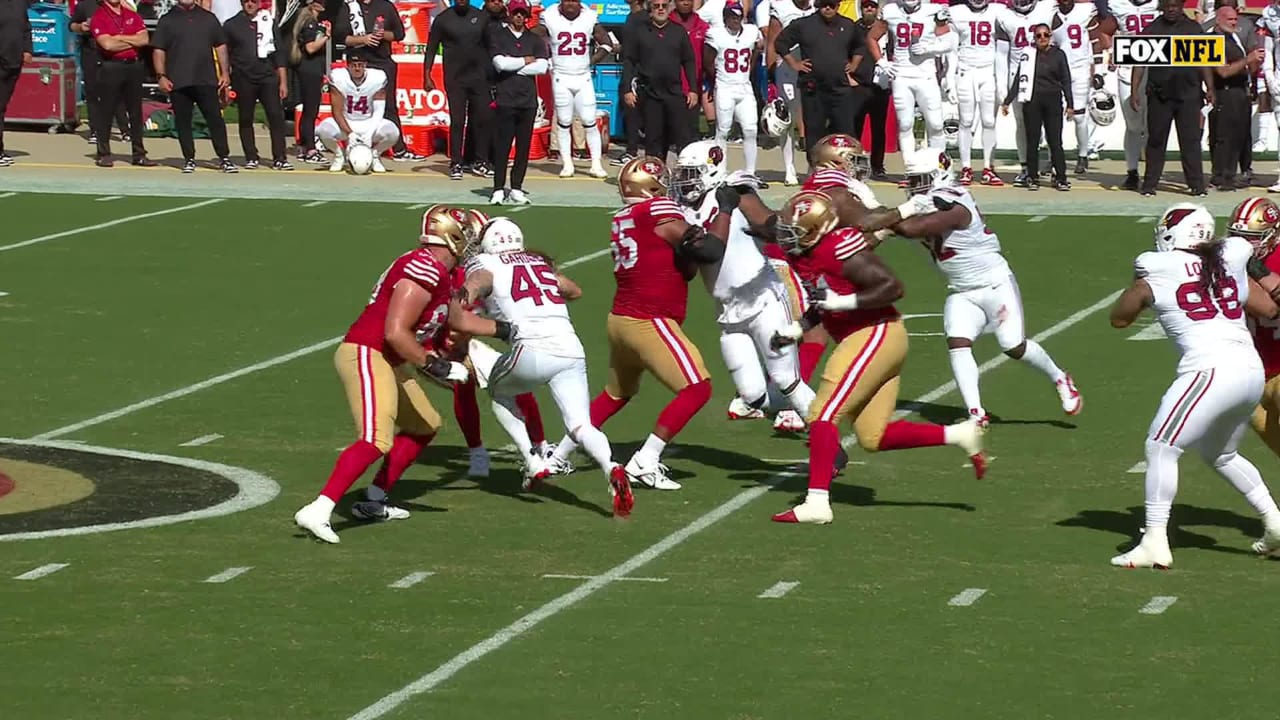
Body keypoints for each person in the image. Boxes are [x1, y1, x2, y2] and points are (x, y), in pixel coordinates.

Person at [292, 207, 513, 545]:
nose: (471, 242)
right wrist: (434, 364)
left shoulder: (444, 271)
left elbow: (458, 321)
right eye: (466, 234)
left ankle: (375, 499)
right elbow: (395, 332)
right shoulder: (423, 268)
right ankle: (319, 509)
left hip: (390, 357)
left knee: (425, 424)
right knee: (375, 439)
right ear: (452, 235)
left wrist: (507, 330)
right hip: (368, 351)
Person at [769, 189, 986, 525]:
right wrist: (800, 328)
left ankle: (817, 502)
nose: (787, 237)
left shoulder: (840, 247)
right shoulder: (807, 253)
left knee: (823, 414)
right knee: (873, 436)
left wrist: (843, 305)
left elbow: (891, 287)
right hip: (874, 336)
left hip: (875, 332)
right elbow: (825, 299)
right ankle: (958, 434)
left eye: (795, 231)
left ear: (817, 229)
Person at [1108, 203, 1280, 568]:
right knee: (1220, 453)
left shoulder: (1156, 268)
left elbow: (1119, 319)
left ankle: (1155, 539)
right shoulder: (1231, 259)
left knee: (1160, 446)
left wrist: (1140, 288)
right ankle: (1275, 521)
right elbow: (1268, 309)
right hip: (1251, 369)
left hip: (1210, 370)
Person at [860, 148, 1082, 428]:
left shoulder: (956, 202)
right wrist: (870, 229)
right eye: (913, 180)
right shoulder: (926, 203)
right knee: (958, 342)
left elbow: (914, 228)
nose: (915, 186)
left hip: (994, 283)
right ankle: (975, 413)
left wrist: (886, 216)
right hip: (962, 290)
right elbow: (881, 232)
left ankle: (1060, 377)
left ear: (938, 174)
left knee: (1012, 345)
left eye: (920, 179)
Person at [545, 157, 722, 491]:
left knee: (616, 394)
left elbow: (683, 266)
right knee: (698, 388)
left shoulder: (626, 216)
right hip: (648, 319)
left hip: (621, 319)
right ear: (650, 185)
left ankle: (558, 456)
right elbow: (708, 251)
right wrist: (722, 211)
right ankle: (646, 460)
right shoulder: (657, 211)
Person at [459, 218, 635, 517]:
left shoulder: (483, 261)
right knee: (580, 425)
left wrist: (465, 297)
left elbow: (478, 284)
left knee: (498, 392)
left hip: (530, 347)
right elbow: (574, 291)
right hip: (570, 348)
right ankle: (612, 466)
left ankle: (533, 460)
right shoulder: (537, 262)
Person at [671, 141, 816, 432]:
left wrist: (780, 228)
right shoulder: (680, 209)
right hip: (727, 312)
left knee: (787, 380)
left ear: (711, 168)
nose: (686, 180)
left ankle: (828, 435)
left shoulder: (734, 193)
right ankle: (817, 406)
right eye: (683, 173)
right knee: (753, 396)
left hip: (764, 300)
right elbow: (690, 269)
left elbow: (770, 224)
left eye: (692, 172)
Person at [1131, 0, 1212, 197]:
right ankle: (1150, 184)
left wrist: (1210, 88)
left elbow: (1205, 62)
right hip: (1160, 95)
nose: (1171, 9)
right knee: (1156, 141)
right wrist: (1134, 92)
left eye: (1175, 5)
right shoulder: (1152, 29)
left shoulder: (1193, 29)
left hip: (1189, 95)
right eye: (1168, 6)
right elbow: (1139, 64)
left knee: (1190, 141)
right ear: (1162, 7)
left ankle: (1196, 186)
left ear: (1181, 6)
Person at [152, 0, 238, 174]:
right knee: (183, 122)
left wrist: (225, 73)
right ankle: (189, 158)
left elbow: (220, 45)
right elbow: (158, 50)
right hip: (178, 80)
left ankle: (224, 158)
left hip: (205, 79)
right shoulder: (167, 20)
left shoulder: (208, 18)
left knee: (215, 120)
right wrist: (161, 76)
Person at [336, 0, 428, 161]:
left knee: (389, 106)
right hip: (359, 63)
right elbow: (341, 38)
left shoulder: (385, 6)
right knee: (356, 106)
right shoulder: (349, 6)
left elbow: (399, 34)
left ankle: (399, 149)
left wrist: (382, 34)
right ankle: (354, 145)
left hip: (382, 62)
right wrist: (363, 39)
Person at [777, 0, 865, 153]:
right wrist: (794, 63)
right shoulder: (803, 25)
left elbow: (860, 45)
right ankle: (814, 169)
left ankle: (845, 167)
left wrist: (854, 64)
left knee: (845, 130)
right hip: (813, 88)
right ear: (818, 5)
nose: (828, 8)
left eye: (832, 4)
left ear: (838, 6)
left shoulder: (848, 25)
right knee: (814, 131)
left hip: (840, 87)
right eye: (824, 4)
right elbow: (780, 43)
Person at [539, 0, 612, 178]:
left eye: (574, 0)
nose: (571, 4)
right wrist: (545, 58)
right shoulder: (549, 15)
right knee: (564, 121)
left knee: (589, 119)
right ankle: (567, 164)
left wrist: (590, 61)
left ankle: (595, 164)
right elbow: (535, 37)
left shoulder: (589, 16)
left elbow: (607, 43)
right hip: (561, 76)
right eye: (567, 0)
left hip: (583, 76)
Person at [425, 0, 496, 180]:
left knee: (483, 119)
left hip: (479, 78)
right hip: (455, 79)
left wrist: (493, 75)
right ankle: (456, 162)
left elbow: (492, 47)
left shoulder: (481, 17)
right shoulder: (443, 19)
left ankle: (481, 161)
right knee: (457, 121)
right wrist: (426, 75)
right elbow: (431, 47)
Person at [488, 0, 550, 206]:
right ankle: (498, 188)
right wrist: (525, 61)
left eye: (522, 14)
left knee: (523, 148)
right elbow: (499, 63)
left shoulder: (535, 39)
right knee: (502, 147)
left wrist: (513, 64)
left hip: (527, 101)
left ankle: (516, 187)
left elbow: (542, 67)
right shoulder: (499, 36)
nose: (519, 17)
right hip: (505, 99)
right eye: (516, 13)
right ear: (510, 14)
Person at [622, 0, 698, 162]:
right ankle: (656, 176)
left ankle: (686, 177)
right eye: (656, 6)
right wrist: (627, 89)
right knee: (654, 139)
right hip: (650, 94)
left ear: (669, 8)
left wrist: (693, 89)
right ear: (651, 9)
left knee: (682, 137)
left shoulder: (679, 31)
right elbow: (629, 61)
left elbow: (689, 61)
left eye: (664, 6)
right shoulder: (640, 32)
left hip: (674, 93)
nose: (661, 9)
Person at [1002, 23, 1072, 190]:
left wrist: (1070, 104)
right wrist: (1007, 100)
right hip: (1032, 102)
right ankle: (1032, 177)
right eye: (1038, 36)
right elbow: (1019, 78)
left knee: (1055, 141)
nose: (1042, 38)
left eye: (1045, 35)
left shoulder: (1059, 54)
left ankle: (1060, 177)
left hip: (1053, 101)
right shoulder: (1029, 54)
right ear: (1034, 38)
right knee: (1032, 141)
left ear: (1050, 37)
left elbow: (1066, 80)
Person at [223, 0, 292, 170]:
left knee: (276, 116)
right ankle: (251, 156)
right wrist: (226, 78)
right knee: (246, 117)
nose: (250, 4)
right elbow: (225, 53)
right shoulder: (232, 25)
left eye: (253, 1)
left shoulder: (268, 21)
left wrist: (283, 81)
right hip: (244, 76)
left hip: (267, 76)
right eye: (246, 1)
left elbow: (279, 52)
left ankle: (279, 157)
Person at [1097, 0, 1158, 190]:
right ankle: (1132, 172)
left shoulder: (1159, 5)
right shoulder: (1120, 5)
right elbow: (1104, 31)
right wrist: (1112, 50)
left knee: (1152, 125)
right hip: (1128, 69)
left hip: (1155, 69)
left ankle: (1151, 171)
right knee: (1133, 125)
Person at [87, 0, 155, 167]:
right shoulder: (99, 16)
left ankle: (139, 153)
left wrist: (119, 38)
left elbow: (144, 39)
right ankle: (103, 153)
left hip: (133, 65)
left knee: (135, 111)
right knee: (107, 111)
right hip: (111, 66)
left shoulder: (131, 14)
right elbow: (107, 44)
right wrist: (132, 40)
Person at [994, 0, 1055, 186]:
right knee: (1022, 124)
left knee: (1050, 123)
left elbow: (1059, 42)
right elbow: (1001, 55)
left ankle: (1054, 166)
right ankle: (1026, 167)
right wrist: (1002, 85)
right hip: (1019, 77)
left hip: (1044, 74)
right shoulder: (1004, 16)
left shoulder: (1047, 9)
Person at [946, 0, 1003, 186]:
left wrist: (1003, 79)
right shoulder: (956, 12)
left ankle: (988, 167)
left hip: (988, 71)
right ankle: (966, 167)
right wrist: (949, 77)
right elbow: (952, 49)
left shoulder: (998, 11)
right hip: (965, 70)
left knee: (989, 121)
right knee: (966, 121)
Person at [317, 49, 400, 173]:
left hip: (368, 121)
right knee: (323, 129)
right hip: (346, 121)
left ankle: (375, 155)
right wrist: (350, 133)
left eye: (360, 65)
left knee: (393, 132)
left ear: (365, 65)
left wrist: (370, 133)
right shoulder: (339, 77)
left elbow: (379, 110)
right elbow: (337, 111)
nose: (357, 68)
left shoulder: (377, 77)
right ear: (347, 65)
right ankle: (339, 156)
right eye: (353, 65)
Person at [704, 0, 762, 174]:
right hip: (725, 87)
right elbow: (708, 61)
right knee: (723, 130)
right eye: (731, 16)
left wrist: (749, 71)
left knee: (751, 129)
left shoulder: (752, 31)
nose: (735, 20)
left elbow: (757, 51)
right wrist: (717, 80)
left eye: (737, 16)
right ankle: (718, 171)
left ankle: (750, 172)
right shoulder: (716, 34)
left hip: (745, 87)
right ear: (725, 17)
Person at [1209, 6, 1262, 190]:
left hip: (1240, 90)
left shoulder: (1233, 38)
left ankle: (1231, 174)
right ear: (1218, 19)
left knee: (1239, 135)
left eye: (1235, 19)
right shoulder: (1214, 40)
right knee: (1224, 136)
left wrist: (1253, 63)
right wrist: (1248, 59)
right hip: (1225, 91)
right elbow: (1222, 71)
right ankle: (1222, 176)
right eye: (1229, 19)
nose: (1234, 23)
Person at [767, 0, 815, 185]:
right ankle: (789, 168)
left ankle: (812, 167)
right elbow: (772, 43)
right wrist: (771, 76)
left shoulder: (817, 6)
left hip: (810, 67)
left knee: (812, 117)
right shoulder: (781, 8)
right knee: (786, 120)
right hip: (786, 69)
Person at [71, 0, 130, 148]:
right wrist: (81, 27)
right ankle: (95, 131)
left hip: (113, 52)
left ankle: (125, 129)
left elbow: (133, 17)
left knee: (117, 91)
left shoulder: (119, 4)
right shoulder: (85, 5)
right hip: (91, 51)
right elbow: (72, 25)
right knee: (92, 92)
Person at [1049, 0, 1097, 176]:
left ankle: (1083, 155)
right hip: (1059, 70)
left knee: (1079, 116)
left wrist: (1096, 67)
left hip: (1080, 68)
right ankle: (1053, 156)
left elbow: (1095, 38)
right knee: (1053, 116)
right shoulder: (1051, 15)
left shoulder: (1085, 11)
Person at [851, 0, 889, 180]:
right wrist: (849, 79)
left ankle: (878, 166)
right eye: (866, 6)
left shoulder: (885, 29)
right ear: (861, 8)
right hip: (858, 84)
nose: (869, 9)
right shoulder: (852, 28)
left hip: (880, 85)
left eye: (872, 6)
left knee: (878, 129)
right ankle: (856, 165)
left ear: (877, 9)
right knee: (855, 128)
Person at [289, 0, 329, 164]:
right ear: (312, 5)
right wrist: (326, 36)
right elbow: (310, 47)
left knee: (308, 111)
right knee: (311, 111)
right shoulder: (309, 22)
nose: (323, 3)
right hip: (310, 70)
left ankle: (303, 146)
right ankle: (310, 149)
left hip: (309, 69)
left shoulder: (311, 22)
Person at [0, 0, 31, 166]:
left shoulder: (20, 4)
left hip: (13, 62)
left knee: (2, 106)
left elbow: (26, 28)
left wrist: (28, 49)